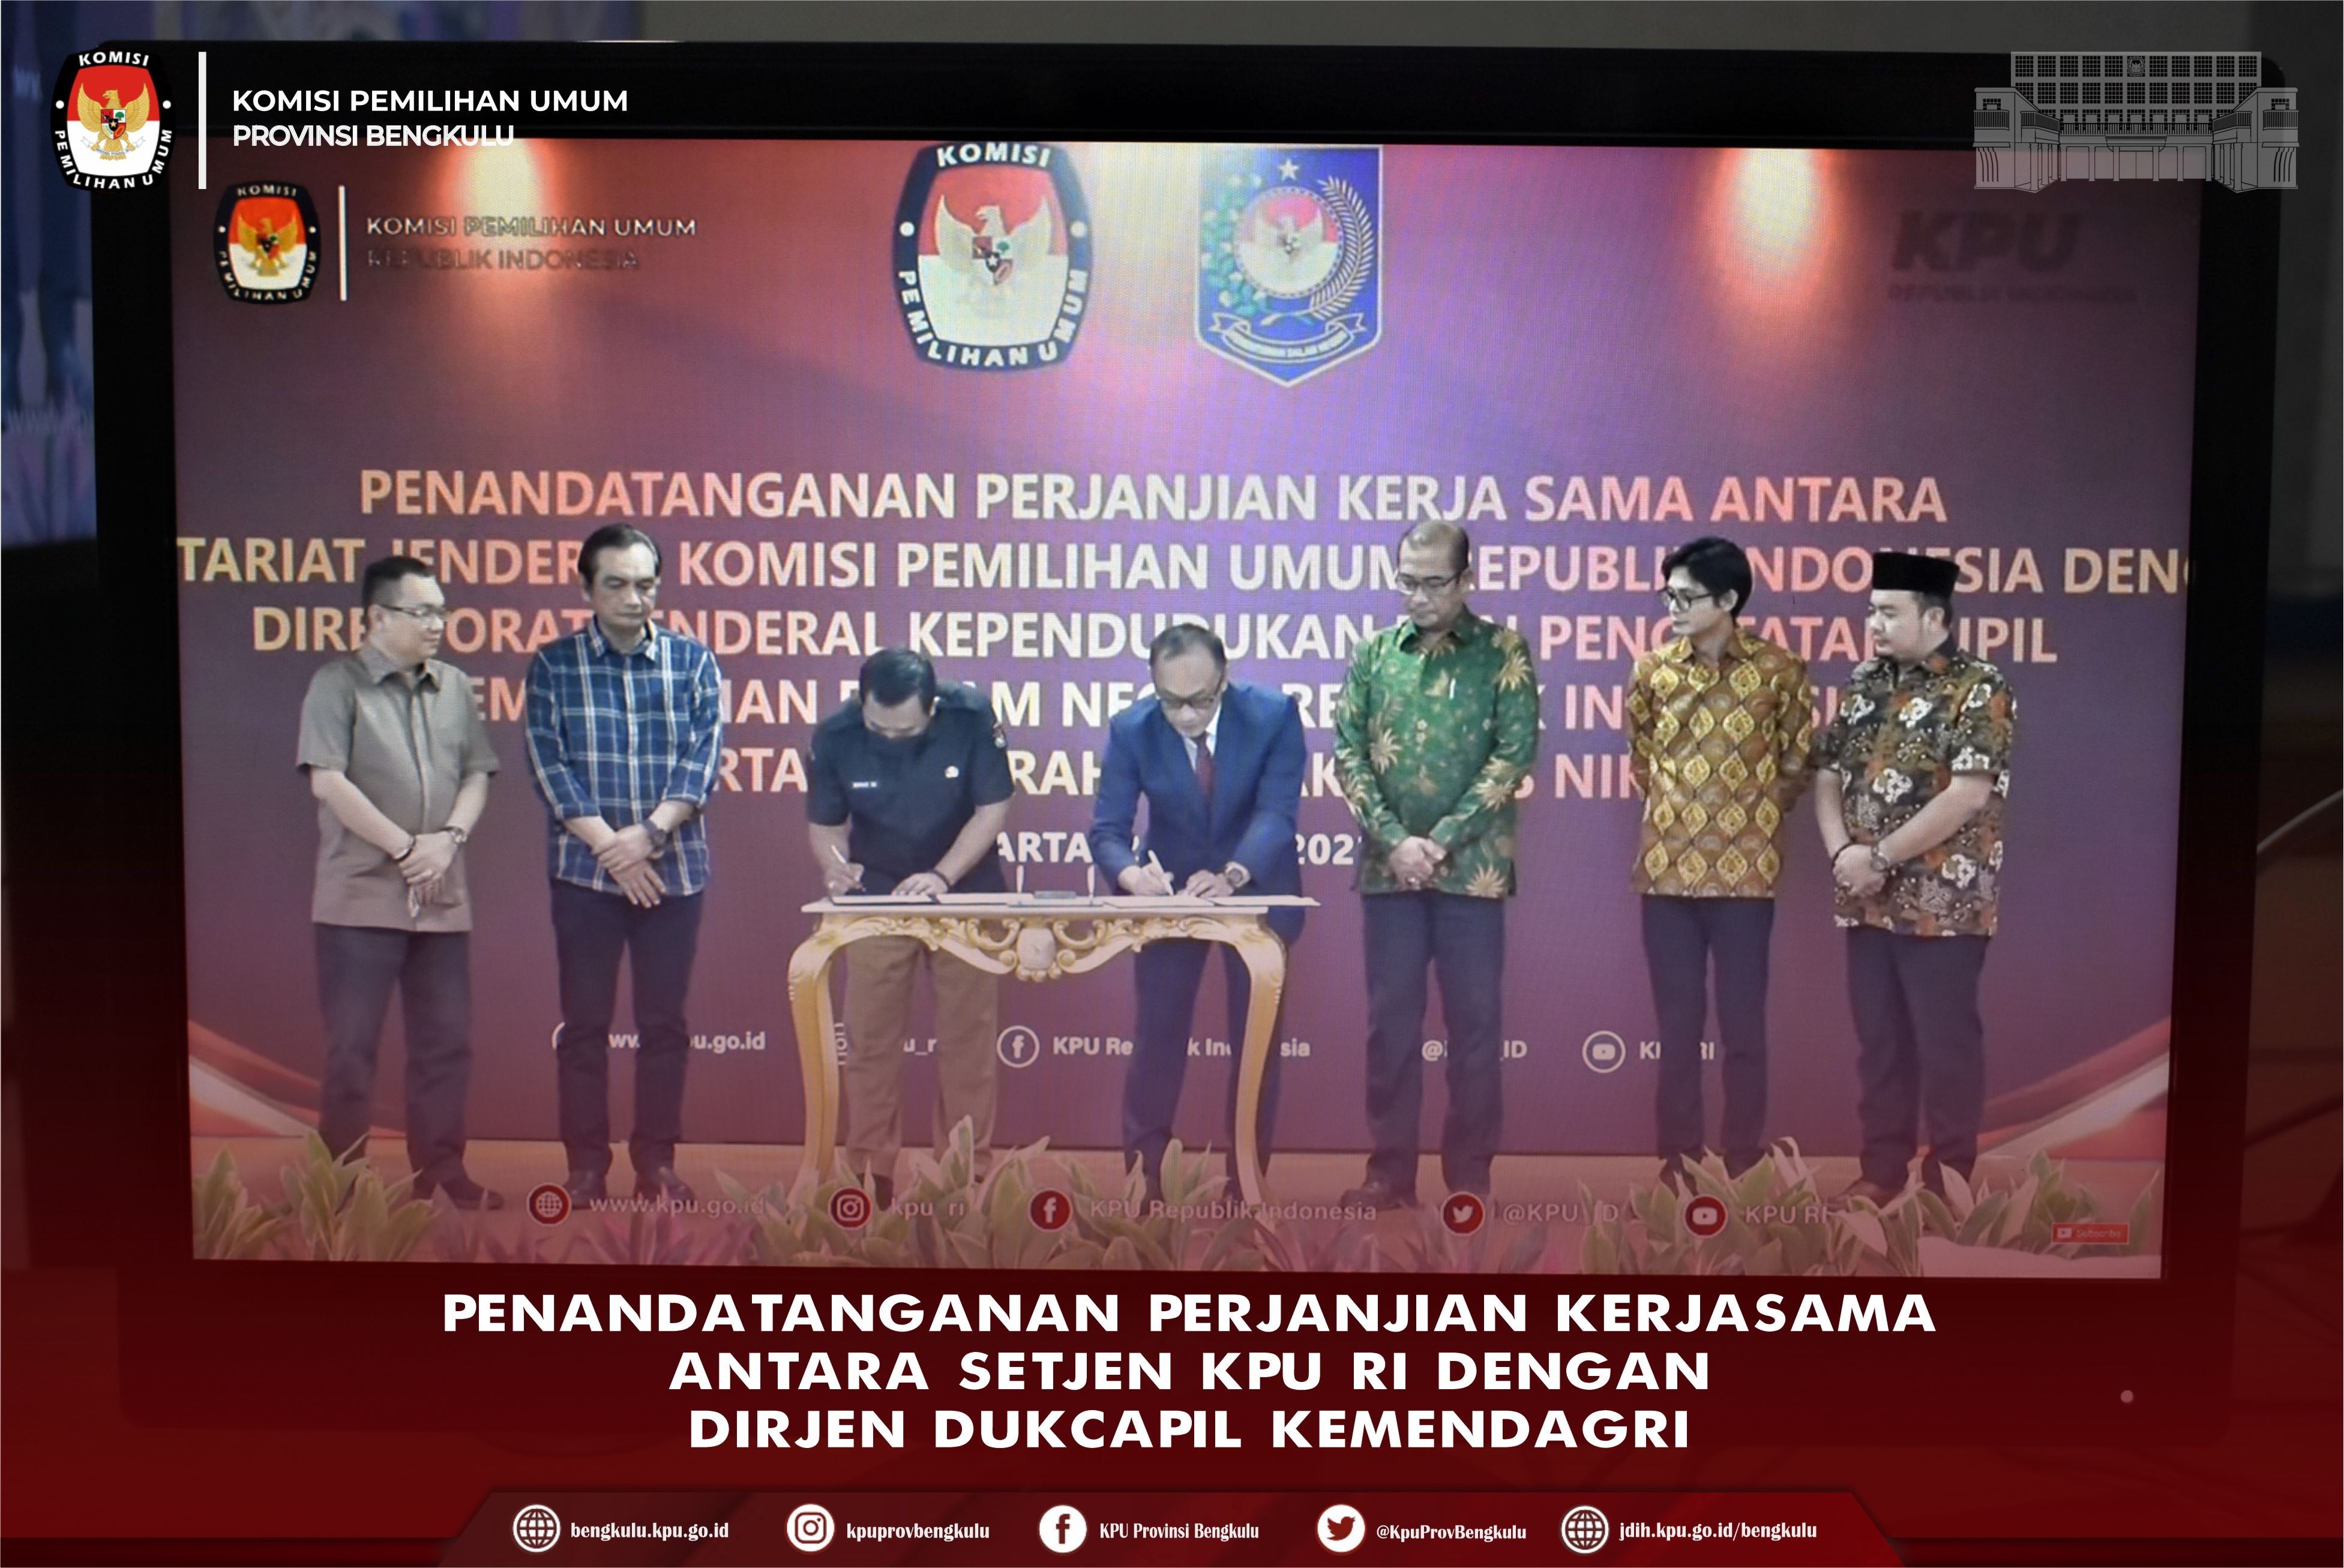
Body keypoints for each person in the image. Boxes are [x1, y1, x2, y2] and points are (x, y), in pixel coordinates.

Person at [1330, 520, 1542, 1208]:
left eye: (1432, 583)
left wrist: (1440, 840)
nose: (1417, 597)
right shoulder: (1374, 654)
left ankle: (1469, 1177)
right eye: (1407, 582)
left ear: (1466, 580)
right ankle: (1389, 1172)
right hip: (1388, 870)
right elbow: (1347, 753)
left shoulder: (1503, 652)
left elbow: (1513, 757)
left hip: (1471, 872)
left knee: (1475, 1027)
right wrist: (1396, 841)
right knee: (1390, 1025)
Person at [523, 524, 724, 1206]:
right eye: (617, 584)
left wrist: (649, 835)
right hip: (586, 877)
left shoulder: (694, 663)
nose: (634, 598)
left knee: (665, 1025)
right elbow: (549, 767)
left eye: (646, 584)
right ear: (587, 588)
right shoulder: (553, 666)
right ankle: (586, 1167)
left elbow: (701, 763)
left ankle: (656, 1164)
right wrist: (614, 849)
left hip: (673, 873)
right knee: (584, 1026)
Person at [1812, 550, 2017, 1208]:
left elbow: (1968, 793)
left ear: (1934, 618)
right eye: (1872, 611)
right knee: (1880, 1045)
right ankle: (1881, 1172)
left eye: (1888, 612)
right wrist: (1843, 854)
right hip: (1867, 903)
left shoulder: (1979, 686)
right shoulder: (1864, 680)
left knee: (1945, 1047)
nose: (1873, 623)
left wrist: (1879, 857)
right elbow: (1827, 775)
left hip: (1944, 904)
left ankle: (1947, 1183)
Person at [296, 555, 500, 1207]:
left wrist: (449, 840)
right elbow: (328, 781)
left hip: (441, 897)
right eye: (423, 612)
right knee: (352, 1051)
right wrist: (407, 846)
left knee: (446, 1046)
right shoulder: (337, 685)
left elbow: (477, 774)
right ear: (378, 617)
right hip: (359, 900)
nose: (438, 623)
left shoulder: (455, 686)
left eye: (442, 611)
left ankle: (442, 1172)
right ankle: (340, 1184)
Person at [1087, 623, 1308, 1204]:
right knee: (1156, 1038)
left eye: (1200, 701)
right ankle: (1146, 1184)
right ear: (1153, 685)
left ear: (1224, 679)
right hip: (1171, 892)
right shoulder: (1132, 728)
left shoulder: (1274, 715)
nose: (1186, 715)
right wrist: (1134, 878)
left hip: (1254, 885)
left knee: (1255, 1043)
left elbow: (1277, 813)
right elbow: (1107, 830)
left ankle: (1246, 1184)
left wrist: (1233, 875)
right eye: (1171, 701)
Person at [1624, 536, 1814, 1186]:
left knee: (1743, 1027)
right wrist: (1682, 816)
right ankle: (1677, 1162)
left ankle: (1744, 1159)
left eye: (1687, 597)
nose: (1673, 608)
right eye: (1668, 596)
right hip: (1667, 873)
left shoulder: (1780, 671)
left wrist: (1748, 818)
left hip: (1745, 877)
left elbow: (1796, 762)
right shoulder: (1653, 671)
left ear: (1728, 599)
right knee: (1677, 1029)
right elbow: (1642, 759)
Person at [808, 649, 1015, 1208]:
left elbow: (993, 810)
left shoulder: (971, 716)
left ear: (933, 706)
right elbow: (826, 824)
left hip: (965, 885)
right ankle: (869, 1173)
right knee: (870, 1036)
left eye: (905, 730)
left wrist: (941, 876)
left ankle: (964, 1176)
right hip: (878, 888)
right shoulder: (835, 735)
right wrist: (834, 865)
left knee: (968, 1041)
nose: (891, 739)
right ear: (862, 704)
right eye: (880, 728)